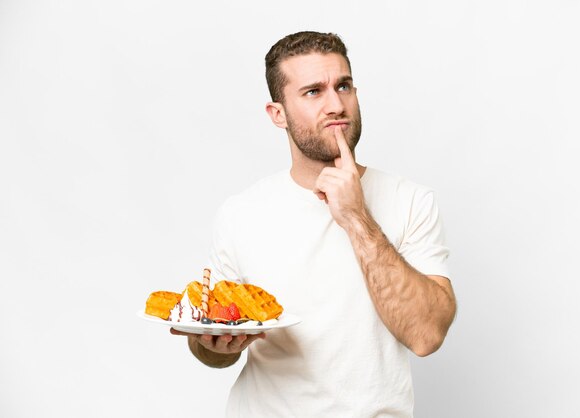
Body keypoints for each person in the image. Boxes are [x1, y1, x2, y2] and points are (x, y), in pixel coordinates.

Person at [171, 31, 457, 417]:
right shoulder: (242, 213)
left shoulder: (410, 201)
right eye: (313, 92)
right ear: (278, 114)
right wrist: (213, 345)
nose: (336, 104)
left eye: (344, 86)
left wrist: (356, 215)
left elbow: (426, 335)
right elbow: (211, 342)